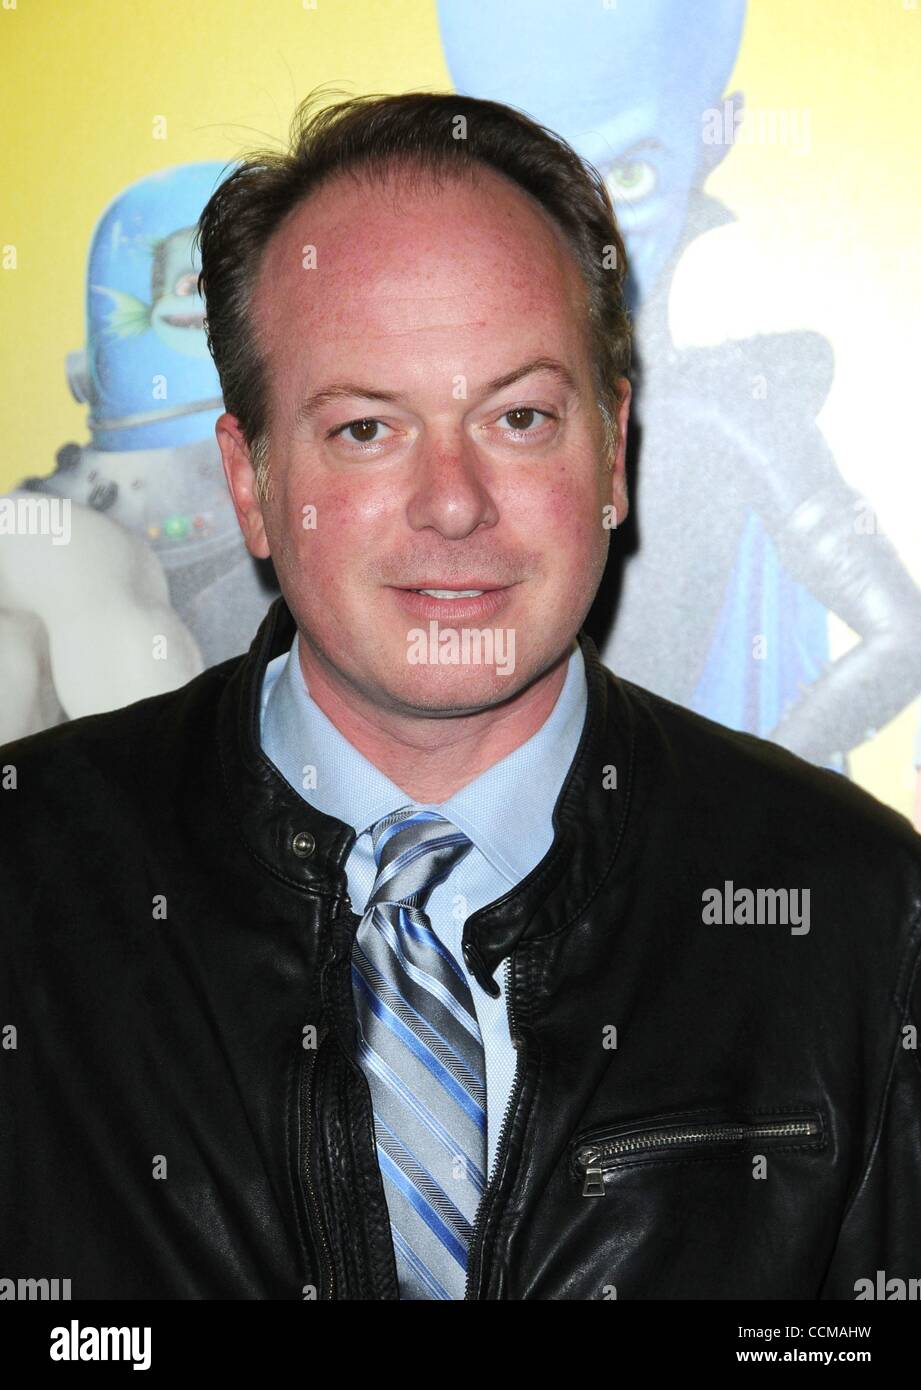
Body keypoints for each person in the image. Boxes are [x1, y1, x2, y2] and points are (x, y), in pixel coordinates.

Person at [1, 89, 919, 1302]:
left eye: (521, 416)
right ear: (253, 481)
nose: (452, 501)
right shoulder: (28, 877)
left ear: (612, 451)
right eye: (368, 428)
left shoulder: (858, 908)